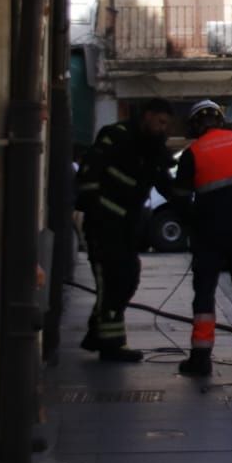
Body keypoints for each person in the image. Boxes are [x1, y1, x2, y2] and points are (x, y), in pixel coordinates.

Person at [75, 98, 177, 362]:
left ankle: (99, 336)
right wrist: (99, 211)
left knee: (127, 278)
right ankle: (109, 345)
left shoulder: (153, 150)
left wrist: (193, 214)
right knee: (111, 281)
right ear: (147, 116)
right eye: (160, 122)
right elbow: (88, 179)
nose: (163, 128)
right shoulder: (114, 136)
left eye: (167, 124)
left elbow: (167, 186)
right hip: (103, 226)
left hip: (127, 227)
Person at [171, 100, 232, 376]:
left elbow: (179, 199)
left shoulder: (192, 154)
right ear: (220, 121)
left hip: (209, 233)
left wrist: (194, 220)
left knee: (205, 292)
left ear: (195, 125)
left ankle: (201, 358)